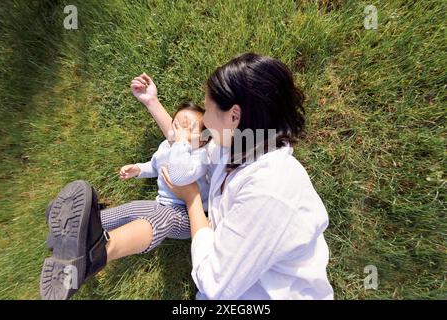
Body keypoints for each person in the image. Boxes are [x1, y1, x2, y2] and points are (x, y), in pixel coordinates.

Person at [40, 53, 334, 300]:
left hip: (251, 294)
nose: (203, 120)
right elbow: (179, 141)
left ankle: (92, 255)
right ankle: (81, 236)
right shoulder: (236, 143)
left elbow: (214, 284)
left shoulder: (270, 190)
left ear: (234, 116)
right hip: (228, 265)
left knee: (160, 218)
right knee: (143, 212)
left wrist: (192, 199)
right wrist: (152, 103)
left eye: (207, 109)